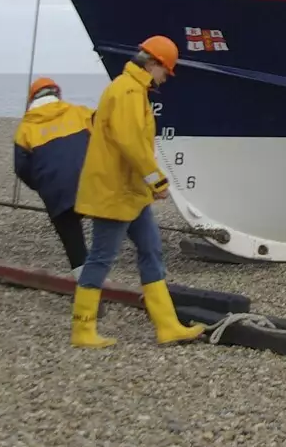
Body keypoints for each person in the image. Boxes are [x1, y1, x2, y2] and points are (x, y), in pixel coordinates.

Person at [69, 35, 206, 349]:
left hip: (131, 192)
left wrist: (146, 182)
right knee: (102, 258)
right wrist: (156, 179)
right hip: (116, 191)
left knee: (151, 252)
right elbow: (130, 142)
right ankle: (83, 328)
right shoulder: (128, 91)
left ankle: (167, 325)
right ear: (154, 62)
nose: (164, 79)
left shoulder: (130, 89)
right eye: (165, 71)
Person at [13, 77, 94, 275]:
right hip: (91, 184)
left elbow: (21, 168)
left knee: (72, 240)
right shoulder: (80, 113)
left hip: (56, 192)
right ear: (57, 94)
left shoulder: (25, 128)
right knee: (110, 227)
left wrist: (42, 185)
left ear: (32, 100)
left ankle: (85, 285)